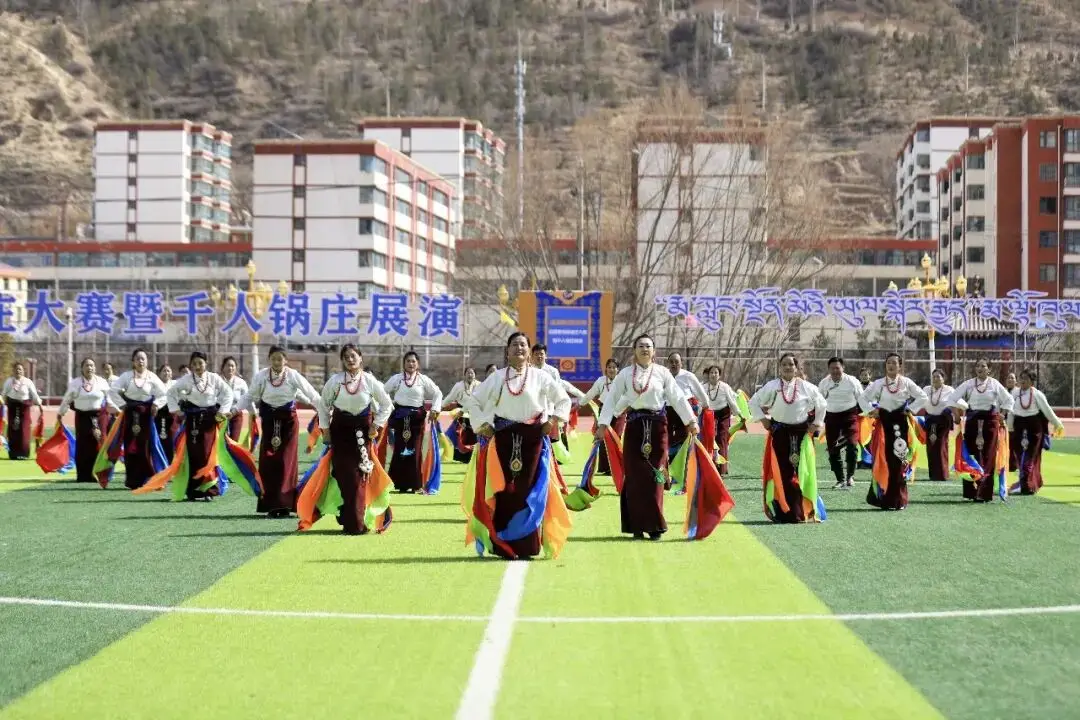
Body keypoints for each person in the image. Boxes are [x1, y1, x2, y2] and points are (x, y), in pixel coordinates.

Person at [463, 332, 573, 558]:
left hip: (532, 440)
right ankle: (502, 544)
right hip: (503, 439)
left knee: (529, 491)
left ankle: (528, 546)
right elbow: (473, 400)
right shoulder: (497, 378)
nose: (519, 348)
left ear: (530, 351)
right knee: (504, 490)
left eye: (523, 344)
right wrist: (482, 423)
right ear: (507, 351)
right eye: (514, 345)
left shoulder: (540, 377)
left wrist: (552, 420)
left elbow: (563, 400)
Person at [596, 334, 698, 540]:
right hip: (634, 428)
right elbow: (611, 400)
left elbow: (677, 398)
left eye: (648, 346)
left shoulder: (662, 373)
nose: (644, 349)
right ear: (634, 350)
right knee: (634, 476)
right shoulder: (625, 374)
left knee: (656, 476)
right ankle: (635, 525)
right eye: (640, 346)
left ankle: (655, 525)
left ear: (654, 351)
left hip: (658, 428)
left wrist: (691, 421)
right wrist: (603, 424)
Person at [317, 344, 393, 534]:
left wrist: (376, 425)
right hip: (340, 433)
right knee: (344, 477)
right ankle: (349, 517)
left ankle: (355, 523)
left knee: (359, 477)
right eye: (346, 357)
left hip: (362, 435)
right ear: (342, 361)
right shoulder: (335, 381)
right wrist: (325, 430)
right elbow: (323, 405)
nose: (350, 360)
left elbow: (387, 404)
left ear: (360, 358)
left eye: (353, 356)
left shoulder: (369, 380)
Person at [243, 346, 323, 517]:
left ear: (285, 360)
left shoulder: (293, 375)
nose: (277, 362)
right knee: (268, 462)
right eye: (274, 359)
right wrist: (234, 409)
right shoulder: (262, 376)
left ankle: (285, 504)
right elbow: (250, 396)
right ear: (269, 360)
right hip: (269, 421)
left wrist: (324, 409)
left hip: (288, 423)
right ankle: (271, 505)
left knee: (286, 462)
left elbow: (311, 393)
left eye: (280, 359)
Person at [749, 353, 828, 523]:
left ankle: (801, 510)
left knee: (801, 471)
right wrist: (763, 420)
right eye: (784, 364)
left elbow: (822, 404)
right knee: (783, 472)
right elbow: (753, 402)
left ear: (796, 367)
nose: (787, 367)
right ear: (780, 367)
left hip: (801, 435)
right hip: (780, 433)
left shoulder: (806, 386)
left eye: (791, 364)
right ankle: (785, 511)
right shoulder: (772, 386)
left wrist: (816, 424)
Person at [858, 354, 927, 511]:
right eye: (888, 363)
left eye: (894, 363)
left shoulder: (906, 382)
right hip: (883, 425)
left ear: (900, 366)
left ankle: (899, 500)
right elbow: (863, 398)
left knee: (899, 461)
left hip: (901, 425)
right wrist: (871, 411)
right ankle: (883, 498)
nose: (891, 366)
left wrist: (910, 409)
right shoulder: (879, 384)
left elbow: (922, 396)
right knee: (884, 460)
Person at [165, 351, 234, 500]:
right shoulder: (187, 379)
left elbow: (228, 393)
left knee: (208, 453)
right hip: (193, 420)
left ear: (206, 363)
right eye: (194, 363)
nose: (197, 366)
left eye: (200, 363)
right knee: (194, 454)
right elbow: (171, 392)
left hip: (210, 420)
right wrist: (176, 410)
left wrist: (222, 411)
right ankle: (193, 491)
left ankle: (209, 490)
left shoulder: (214, 378)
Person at [947, 358, 1015, 502]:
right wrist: (956, 413)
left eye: (983, 366)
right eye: (977, 366)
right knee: (972, 455)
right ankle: (971, 492)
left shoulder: (994, 384)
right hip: (972, 422)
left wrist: (1002, 414)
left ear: (988, 369)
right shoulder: (969, 384)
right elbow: (952, 398)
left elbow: (1009, 400)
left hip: (990, 423)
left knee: (987, 456)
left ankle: (984, 493)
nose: (980, 368)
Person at [105, 349, 169, 488]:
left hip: (146, 416)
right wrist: (122, 405)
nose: (141, 361)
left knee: (145, 446)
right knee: (130, 447)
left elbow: (163, 394)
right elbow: (113, 391)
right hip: (130, 414)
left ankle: (147, 478)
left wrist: (156, 405)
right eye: (138, 359)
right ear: (133, 361)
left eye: (143, 359)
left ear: (147, 362)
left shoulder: (152, 377)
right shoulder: (126, 376)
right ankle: (132, 481)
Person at [383, 351, 443, 493]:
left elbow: (437, 393)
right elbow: (382, 391)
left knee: (414, 451)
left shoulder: (423, 379)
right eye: (408, 361)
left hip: (416, 420)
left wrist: (435, 408)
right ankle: (399, 484)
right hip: (399, 418)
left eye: (413, 361)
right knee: (399, 449)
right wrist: (389, 406)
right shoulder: (397, 379)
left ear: (418, 364)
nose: (411, 364)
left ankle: (415, 484)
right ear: (403, 364)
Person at [57, 358, 118, 482]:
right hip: (82, 418)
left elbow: (110, 399)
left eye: (91, 365)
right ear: (82, 368)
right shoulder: (75, 383)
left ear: (95, 368)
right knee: (84, 446)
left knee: (100, 444)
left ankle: (100, 474)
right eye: (86, 365)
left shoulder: (101, 382)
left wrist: (118, 411)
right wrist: (60, 413)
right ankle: (84, 475)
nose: (89, 368)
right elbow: (67, 399)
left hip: (100, 417)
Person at [1008, 368, 1064, 495]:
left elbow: (1047, 411)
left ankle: (1027, 485)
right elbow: (1010, 410)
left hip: (1033, 429)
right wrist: (1010, 427)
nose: (1022, 381)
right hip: (1018, 428)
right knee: (1020, 455)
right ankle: (1027, 482)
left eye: (1026, 379)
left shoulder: (1037, 394)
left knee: (1030, 457)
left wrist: (1058, 424)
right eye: (1021, 378)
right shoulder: (1014, 393)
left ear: (1031, 381)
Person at [818, 356, 864, 490]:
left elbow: (862, 399)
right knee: (833, 449)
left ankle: (850, 476)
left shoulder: (852, 381)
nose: (835, 371)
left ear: (843, 368)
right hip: (831, 418)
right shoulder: (824, 383)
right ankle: (840, 479)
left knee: (852, 445)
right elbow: (818, 401)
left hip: (850, 417)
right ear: (828, 369)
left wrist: (870, 411)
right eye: (832, 368)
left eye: (837, 368)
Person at [580, 358, 623, 475]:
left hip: (619, 412)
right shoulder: (600, 381)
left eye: (614, 367)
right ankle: (605, 468)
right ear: (606, 369)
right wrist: (580, 404)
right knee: (603, 438)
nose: (611, 369)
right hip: (604, 410)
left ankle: (617, 467)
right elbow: (591, 393)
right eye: (609, 367)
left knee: (616, 437)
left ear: (618, 369)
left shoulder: (622, 380)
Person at [915, 368, 958, 482]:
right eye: (934, 376)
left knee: (941, 445)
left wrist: (955, 414)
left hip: (943, 421)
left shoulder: (950, 390)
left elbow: (956, 402)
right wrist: (911, 409)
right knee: (931, 446)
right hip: (930, 421)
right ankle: (933, 474)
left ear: (943, 379)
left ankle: (943, 474)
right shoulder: (927, 389)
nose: (936, 379)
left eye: (938, 376)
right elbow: (920, 400)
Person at [665, 352, 709, 456]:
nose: (674, 364)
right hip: (668, 410)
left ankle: (683, 461)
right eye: (671, 362)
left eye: (676, 362)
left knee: (684, 436)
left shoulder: (688, 376)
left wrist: (704, 405)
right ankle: (669, 461)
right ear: (667, 363)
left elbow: (700, 393)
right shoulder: (664, 375)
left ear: (681, 363)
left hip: (685, 410)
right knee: (666, 436)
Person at [704, 365, 743, 475]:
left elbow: (732, 402)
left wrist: (739, 414)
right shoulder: (703, 387)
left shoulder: (725, 387)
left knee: (721, 439)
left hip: (723, 415)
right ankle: (711, 466)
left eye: (716, 372)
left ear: (719, 375)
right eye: (711, 372)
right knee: (710, 440)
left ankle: (721, 468)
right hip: (709, 415)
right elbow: (699, 401)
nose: (713, 375)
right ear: (708, 374)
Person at [3, 361, 43, 460]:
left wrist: (39, 403)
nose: (18, 371)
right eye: (16, 369)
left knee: (24, 432)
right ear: (13, 370)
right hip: (12, 409)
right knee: (13, 431)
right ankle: (13, 454)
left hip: (24, 409)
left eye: (20, 369)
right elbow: (4, 394)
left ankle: (24, 453)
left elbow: (34, 395)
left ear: (23, 371)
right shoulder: (9, 381)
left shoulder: (28, 382)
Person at [443, 368, 481, 463]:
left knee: (475, 437)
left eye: (472, 373)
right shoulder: (458, 386)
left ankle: (475, 458)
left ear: (475, 375)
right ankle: (462, 458)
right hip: (462, 415)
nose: (470, 375)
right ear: (464, 375)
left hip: (475, 415)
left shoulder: (480, 385)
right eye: (468, 373)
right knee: (461, 436)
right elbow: (450, 397)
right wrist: (439, 406)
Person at [219, 356, 248, 442]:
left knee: (235, 440)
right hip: (221, 414)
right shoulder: (217, 381)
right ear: (223, 367)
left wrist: (254, 412)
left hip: (236, 414)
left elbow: (247, 398)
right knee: (221, 440)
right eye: (228, 365)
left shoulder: (241, 382)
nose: (230, 368)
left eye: (233, 366)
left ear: (235, 368)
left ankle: (233, 455)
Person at [155, 365, 176, 463]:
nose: (166, 373)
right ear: (159, 373)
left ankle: (170, 465)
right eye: (164, 371)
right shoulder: (155, 385)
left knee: (170, 442)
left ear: (171, 374)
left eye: (168, 371)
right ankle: (159, 465)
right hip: (159, 415)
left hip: (172, 417)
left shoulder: (175, 384)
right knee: (159, 440)